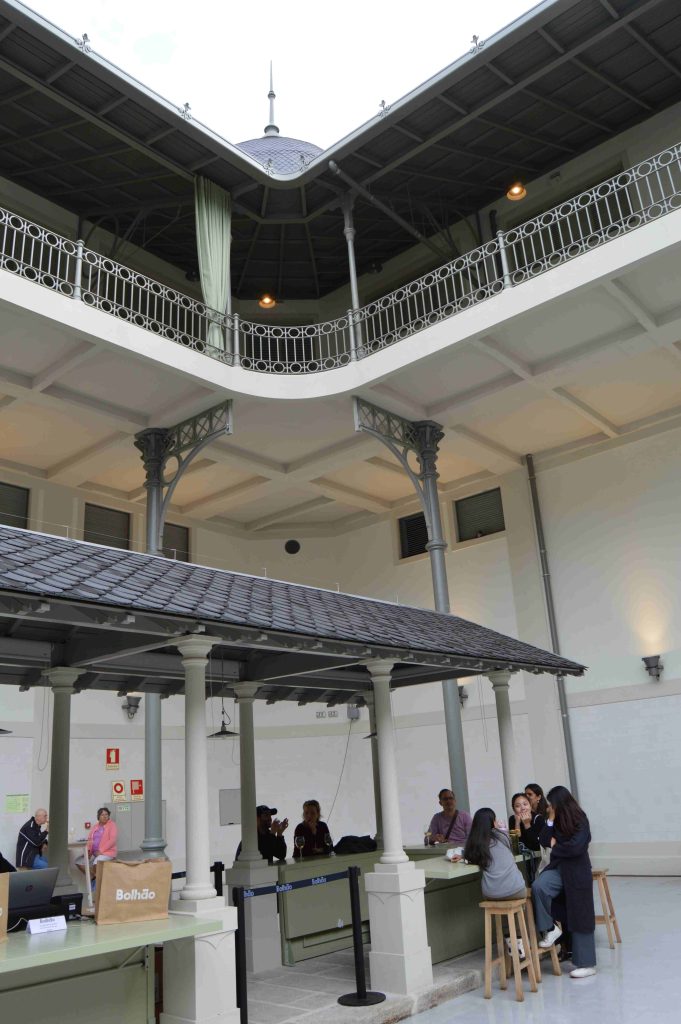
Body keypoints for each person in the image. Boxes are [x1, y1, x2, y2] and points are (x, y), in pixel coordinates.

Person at [531, 785, 597, 979]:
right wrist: (550, 820)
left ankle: (586, 963)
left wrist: (557, 846)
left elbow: (577, 847)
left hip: (577, 871)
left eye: (552, 804)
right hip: (559, 868)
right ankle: (551, 929)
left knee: (580, 914)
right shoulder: (555, 820)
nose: (549, 807)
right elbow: (544, 840)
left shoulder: (580, 819)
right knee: (539, 886)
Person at [463, 807, 528, 959]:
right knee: (513, 905)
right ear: (493, 822)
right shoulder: (502, 836)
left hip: (491, 893)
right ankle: (519, 943)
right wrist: (500, 828)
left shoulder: (475, 843)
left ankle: (511, 942)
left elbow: (469, 857)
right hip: (516, 889)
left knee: (501, 903)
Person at [78, 807, 117, 884]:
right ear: (98, 816)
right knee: (79, 861)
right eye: (102, 815)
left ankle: (98, 884)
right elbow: (90, 839)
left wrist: (101, 851)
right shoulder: (95, 826)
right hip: (95, 853)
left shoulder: (112, 825)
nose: (105, 816)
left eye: (106, 814)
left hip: (107, 853)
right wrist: (88, 851)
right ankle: (93, 877)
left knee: (97, 862)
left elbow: (112, 840)